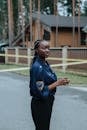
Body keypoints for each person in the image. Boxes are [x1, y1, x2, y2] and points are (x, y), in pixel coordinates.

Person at [29, 39, 70, 130]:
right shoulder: (37, 67)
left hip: (47, 101)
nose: (47, 50)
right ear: (37, 50)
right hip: (40, 104)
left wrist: (60, 81)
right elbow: (40, 91)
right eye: (44, 48)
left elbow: (47, 81)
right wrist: (57, 83)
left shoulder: (45, 63)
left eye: (48, 48)